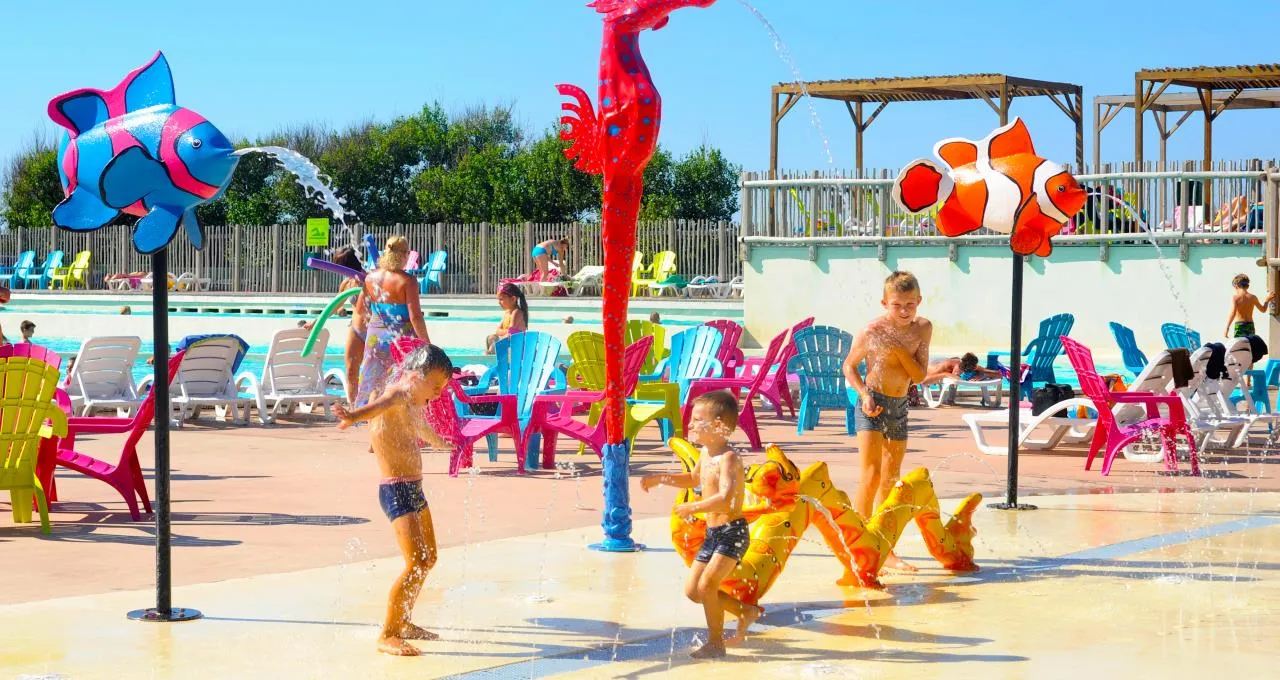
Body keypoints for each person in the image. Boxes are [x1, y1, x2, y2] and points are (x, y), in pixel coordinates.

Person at [333, 343, 453, 656]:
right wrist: (353, 414)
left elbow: (421, 429)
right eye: (436, 386)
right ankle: (388, 633)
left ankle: (404, 621)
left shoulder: (412, 402)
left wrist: (445, 443)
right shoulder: (398, 393)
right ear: (415, 376)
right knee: (415, 562)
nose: (438, 394)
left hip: (415, 488)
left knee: (429, 558)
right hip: (396, 490)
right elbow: (378, 405)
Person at [640, 390, 760, 659]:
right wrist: (661, 478)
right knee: (694, 591)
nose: (690, 425)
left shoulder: (728, 458)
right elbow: (694, 480)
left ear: (718, 426)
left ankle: (716, 643)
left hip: (732, 533)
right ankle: (745, 611)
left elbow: (726, 498)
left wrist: (693, 507)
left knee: (707, 586)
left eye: (696, 420)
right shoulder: (705, 453)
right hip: (713, 533)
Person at [843, 271, 931, 575]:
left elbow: (919, 376)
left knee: (890, 479)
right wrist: (864, 394)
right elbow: (849, 367)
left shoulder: (922, 329)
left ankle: (884, 547)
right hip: (873, 403)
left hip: (900, 405)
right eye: (897, 305)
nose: (904, 310)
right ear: (884, 303)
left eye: (910, 304)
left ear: (919, 301)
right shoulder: (872, 331)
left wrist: (897, 351)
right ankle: (857, 545)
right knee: (870, 474)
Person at [354, 236, 430, 407]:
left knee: (374, 380)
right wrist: (427, 343)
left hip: (376, 336)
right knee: (403, 381)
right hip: (401, 339)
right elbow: (415, 317)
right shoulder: (408, 281)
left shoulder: (370, 278)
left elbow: (361, 309)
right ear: (404, 255)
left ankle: (370, 419)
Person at [303, 247, 367, 403]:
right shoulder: (346, 283)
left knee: (370, 372)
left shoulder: (368, 279)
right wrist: (315, 322)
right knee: (351, 369)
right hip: (356, 329)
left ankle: (370, 407)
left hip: (374, 330)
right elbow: (334, 306)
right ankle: (354, 408)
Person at [1224, 273, 1275, 338]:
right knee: (1250, 345)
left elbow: (1233, 313)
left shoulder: (1235, 298)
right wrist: (1267, 300)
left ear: (1236, 285)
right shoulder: (1253, 297)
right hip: (1250, 325)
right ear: (1247, 286)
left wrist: (1227, 328)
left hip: (1240, 325)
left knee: (1240, 345)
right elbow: (1263, 310)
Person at [485, 282, 529, 354]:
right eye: (498, 300)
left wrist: (504, 334)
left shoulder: (516, 313)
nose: (499, 302)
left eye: (501, 299)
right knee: (491, 338)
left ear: (513, 299)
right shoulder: (507, 312)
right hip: (509, 343)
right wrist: (507, 331)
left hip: (516, 347)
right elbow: (498, 331)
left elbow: (510, 335)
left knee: (491, 349)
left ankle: (488, 358)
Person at [923, 352, 1001, 385]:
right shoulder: (943, 367)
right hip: (931, 363)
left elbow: (997, 374)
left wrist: (979, 376)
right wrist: (945, 374)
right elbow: (924, 381)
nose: (959, 374)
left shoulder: (968, 366)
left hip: (950, 360)